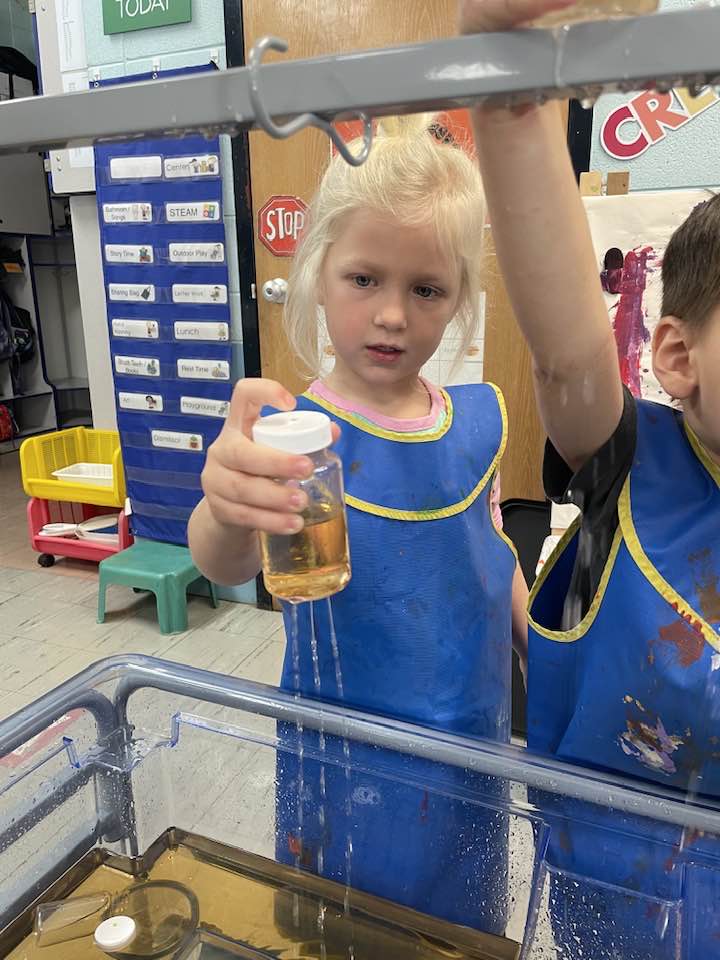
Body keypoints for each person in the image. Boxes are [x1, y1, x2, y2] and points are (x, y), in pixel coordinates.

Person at [189, 116, 528, 934]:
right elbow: (224, 555)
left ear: (459, 301)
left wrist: (542, 646)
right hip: (346, 760)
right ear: (315, 273)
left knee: (457, 929)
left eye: (426, 290)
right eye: (364, 278)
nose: (391, 316)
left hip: (469, 753)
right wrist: (228, 505)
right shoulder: (288, 436)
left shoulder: (476, 420)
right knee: (346, 929)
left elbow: (491, 552)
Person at [459, 0, 720, 955]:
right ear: (680, 358)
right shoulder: (629, 461)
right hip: (618, 913)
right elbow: (568, 349)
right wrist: (513, 96)